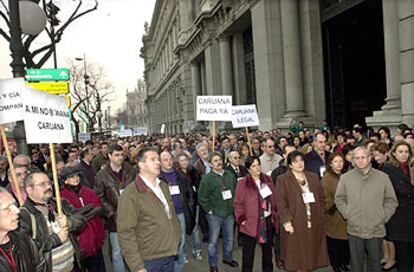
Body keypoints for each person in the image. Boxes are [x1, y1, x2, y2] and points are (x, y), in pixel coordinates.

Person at [117, 147, 181, 272]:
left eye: (158, 159)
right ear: (141, 164)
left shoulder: (163, 185)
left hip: (169, 253)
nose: (158, 162)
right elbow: (126, 233)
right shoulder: (131, 193)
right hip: (149, 260)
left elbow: (170, 215)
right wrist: (137, 266)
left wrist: (177, 238)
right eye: (153, 159)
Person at [335, 147, 398, 272]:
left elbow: (391, 200)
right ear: (352, 161)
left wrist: (382, 216)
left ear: (369, 158)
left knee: (375, 262)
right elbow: (339, 199)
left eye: (363, 157)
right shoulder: (346, 178)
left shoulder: (383, 177)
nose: (360, 161)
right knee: (356, 262)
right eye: (356, 158)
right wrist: (348, 214)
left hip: (376, 227)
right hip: (355, 228)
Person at [19, 172, 86, 271]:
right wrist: (56, 239)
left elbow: (81, 219)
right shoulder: (24, 215)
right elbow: (27, 249)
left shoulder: (60, 203)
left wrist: (69, 222)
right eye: (42, 184)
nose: (48, 187)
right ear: (29, 190)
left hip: (73, 266)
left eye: (49, 183)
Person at [275, 150, 329, 271]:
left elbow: (321, 197)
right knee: (298, 256)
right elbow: (280, 202)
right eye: (295, 161)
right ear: (289, 165)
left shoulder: (313, 177)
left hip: (313, 220)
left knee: (311, 254)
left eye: (301, 160)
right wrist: (286, 221)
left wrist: (321, 214)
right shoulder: (283, 179)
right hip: (295, 222)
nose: (299, 164)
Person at [95, 144, 137, 272]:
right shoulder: (101, 175)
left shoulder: (131, 170)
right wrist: (112, 214)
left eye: (122, 155)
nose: (120, 158)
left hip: (133, 216)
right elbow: (99, 198)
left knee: (134, 249)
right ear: (109, 156)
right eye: (117, 155)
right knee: (117, 252)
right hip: (115, 220)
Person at [233, 156, 278, 272]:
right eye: (253, 166)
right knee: (248, 253)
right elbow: (238, 204)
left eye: (258, 164)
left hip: (266, 220)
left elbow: (273, 198)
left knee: (267, 252)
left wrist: (275, 214)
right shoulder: (243, 184)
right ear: (248, 169)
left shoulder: (267, 179)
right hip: (251, 223)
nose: (257, 168)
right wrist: (243, 220)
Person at [198, 151, 239, 272]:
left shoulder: (229, 175)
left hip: (229, 213)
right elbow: (202, 197)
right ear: (210, 164)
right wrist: (209, 210)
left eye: (219, 160)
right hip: (215, 215)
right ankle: (213, 264)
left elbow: (235, 191)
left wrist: (234, 207)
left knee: (229, 239)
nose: (218, 162)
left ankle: (228, 258)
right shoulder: (207, 179)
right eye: (215, 161)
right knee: (213, 241)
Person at [60, 167, 106, 272]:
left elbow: (98, 207)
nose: (75, 178)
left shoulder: (87, 191)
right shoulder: (61, 196)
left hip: (94, 238)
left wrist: (82, 214)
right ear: (65, 180)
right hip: (78, 242)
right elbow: (71, 216)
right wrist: (85, 213)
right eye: (71, 177)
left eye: (77, 176)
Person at [380, 141, 414, 271]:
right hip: (399, 219)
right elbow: (403, 189)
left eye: (406, 152)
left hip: (410, 218)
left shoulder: (410, 167)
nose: (404, 155)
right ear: (394, 153)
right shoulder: (389, 169)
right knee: (403, 257)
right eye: (401, 152)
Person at [159, 151, 194, 272]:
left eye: (170, 159)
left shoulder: (181, 175)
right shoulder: (157, 177)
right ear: (160, 162)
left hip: (180, 212)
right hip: (164, 215)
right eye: (165, 160)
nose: (169, 162)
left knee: (181, 240)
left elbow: (189, 193)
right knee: (167, 241)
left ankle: (178, 268)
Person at [0, 187, 46, 271]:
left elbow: (40, 267)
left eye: (14, 205)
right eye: (7, 208)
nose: (17, 211)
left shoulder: (23, 238)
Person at [321, 153, 350, 272]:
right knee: (334, 242)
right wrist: (337, 204)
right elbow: (325, 197)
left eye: (341, 161)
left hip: (347, 214)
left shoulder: (346, 176)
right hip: (334, 214)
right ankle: (336, 265)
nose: (339, 164)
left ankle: (344, 263)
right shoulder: (327, 178)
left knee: (345, 243)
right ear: (331, 163)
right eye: (336, 161)